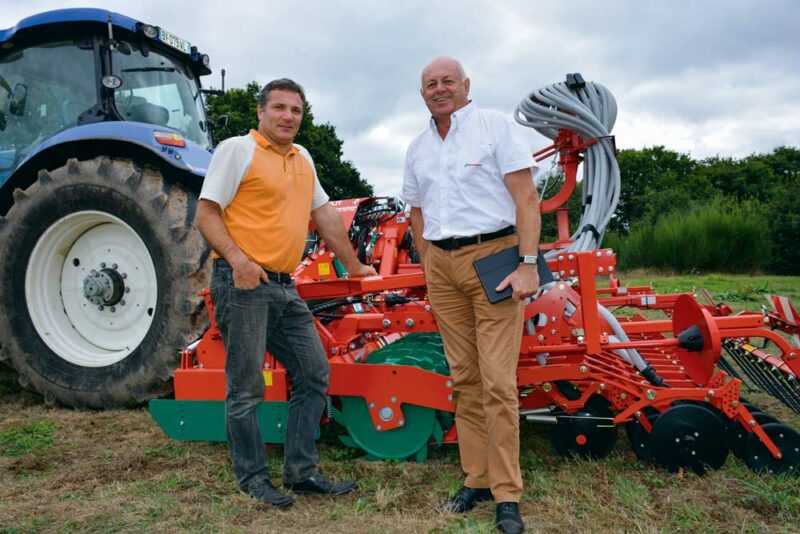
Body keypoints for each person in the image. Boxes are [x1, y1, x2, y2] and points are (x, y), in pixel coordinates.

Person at [196, 78, 377, 508]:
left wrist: (354, 266)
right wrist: (239, 261)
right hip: (241, 282)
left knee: (314, 373)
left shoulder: (304, 158)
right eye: (279, 107)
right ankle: (253, 478)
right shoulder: (237, 150)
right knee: (245, 388)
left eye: (295, 110)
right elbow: (206, 214)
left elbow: (326, 216)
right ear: (261, 112)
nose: (287, 117)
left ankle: (301, 471)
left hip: (284, 286)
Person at [402, 57, 540, 534]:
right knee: (463, 377)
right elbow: (415, 208)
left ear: (465, 85)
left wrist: (526, 264)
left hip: (495, 261)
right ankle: (476, 478)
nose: (439, 90)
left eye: (447, 82)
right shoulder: (419, 147)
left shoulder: (494, 127)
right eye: (430, 84)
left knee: (497, 381)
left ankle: (507, 494)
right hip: (442, 265)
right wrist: (426, 259)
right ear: (422, 94)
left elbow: (525, 198)